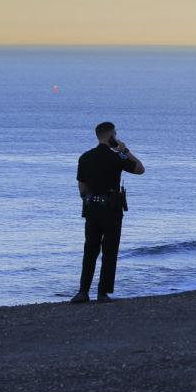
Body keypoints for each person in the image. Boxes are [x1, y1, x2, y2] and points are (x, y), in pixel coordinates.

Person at [70, 122, 145, 303]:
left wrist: (89, 199)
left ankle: (83, 291)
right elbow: (140, 169)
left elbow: (81, 187)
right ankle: (102, 293)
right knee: (109, 251)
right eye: (115, 134)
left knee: (90, 250)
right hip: (111, 209)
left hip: (91, 209)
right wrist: (125, 151)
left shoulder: (85, 157)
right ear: (111, 135)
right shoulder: (116, 157)